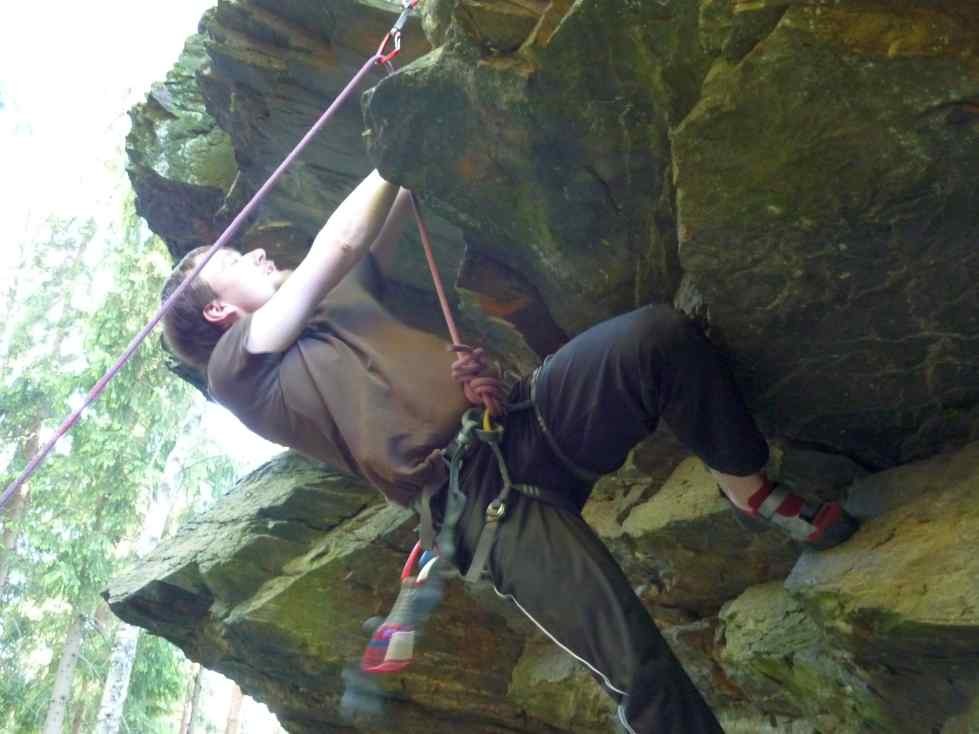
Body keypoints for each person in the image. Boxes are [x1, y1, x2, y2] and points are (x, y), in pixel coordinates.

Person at [161, 170, 857, 733]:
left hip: (524, 421)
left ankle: (747, 489)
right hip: (478, 504)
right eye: (232, 257)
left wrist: (405, 114)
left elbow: (390, 201)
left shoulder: (335, 301)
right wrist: (390, 154)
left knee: (655, 339)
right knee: (635, 665)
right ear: (219, 312)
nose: (255, 251)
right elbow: (340, 237)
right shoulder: (237, 371)